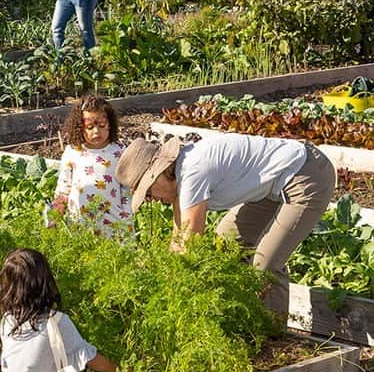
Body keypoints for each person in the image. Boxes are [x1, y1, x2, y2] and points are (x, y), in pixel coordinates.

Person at [114, 131, 335, 316]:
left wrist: (171, 295)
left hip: (307, 174)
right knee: (226, 242)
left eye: (148, 191)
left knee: (265, 265)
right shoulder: (180, 178)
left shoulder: (192, 172)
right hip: (270, 187)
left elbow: (190, 244)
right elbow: (178, 239)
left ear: (159, 174)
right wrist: (165, 273)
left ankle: (272, 336)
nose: (150, 199)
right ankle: (241, 312)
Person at [0, 248, 119, 372]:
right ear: (45, 282)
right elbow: (90, 358)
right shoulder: (57, 321)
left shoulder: (7, 321)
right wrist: (120, 371)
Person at [51, 95, 132, 238]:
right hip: (80, 224)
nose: (96, 131)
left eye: (102, 126)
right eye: (90, 127)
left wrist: (126, 217)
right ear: (79, 127)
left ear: (110, 124)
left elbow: (126, 188)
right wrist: (54, 217)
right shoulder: (73, 151)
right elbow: (63, 189)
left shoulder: (119, 151)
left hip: (114, 223)